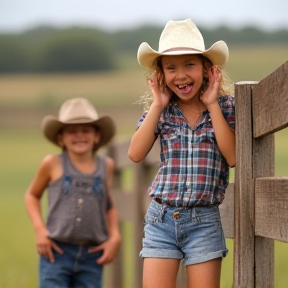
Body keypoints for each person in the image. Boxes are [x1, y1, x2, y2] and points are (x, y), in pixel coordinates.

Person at [128, 19, 235, 288]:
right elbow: (135, 153)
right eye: (171, 67)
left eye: (190, 64)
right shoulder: (161, 113)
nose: (181, 75)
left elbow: (233, 157)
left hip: (204, 221)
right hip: (160, 219)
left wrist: (211, 105)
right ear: (161, 74)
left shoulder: (225, 107)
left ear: (207, 69)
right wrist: (157, 104)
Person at [25, 98, 121, 288]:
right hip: (56, 252)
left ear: (96, 135)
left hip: (93, 255)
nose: (80, 136)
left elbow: (108, 205)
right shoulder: (52, 164)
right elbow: (31, 195)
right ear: (60, 137)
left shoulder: (106, 166)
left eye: (86, 130)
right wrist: (40, 230)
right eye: (72, 131)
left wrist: (115, 236)